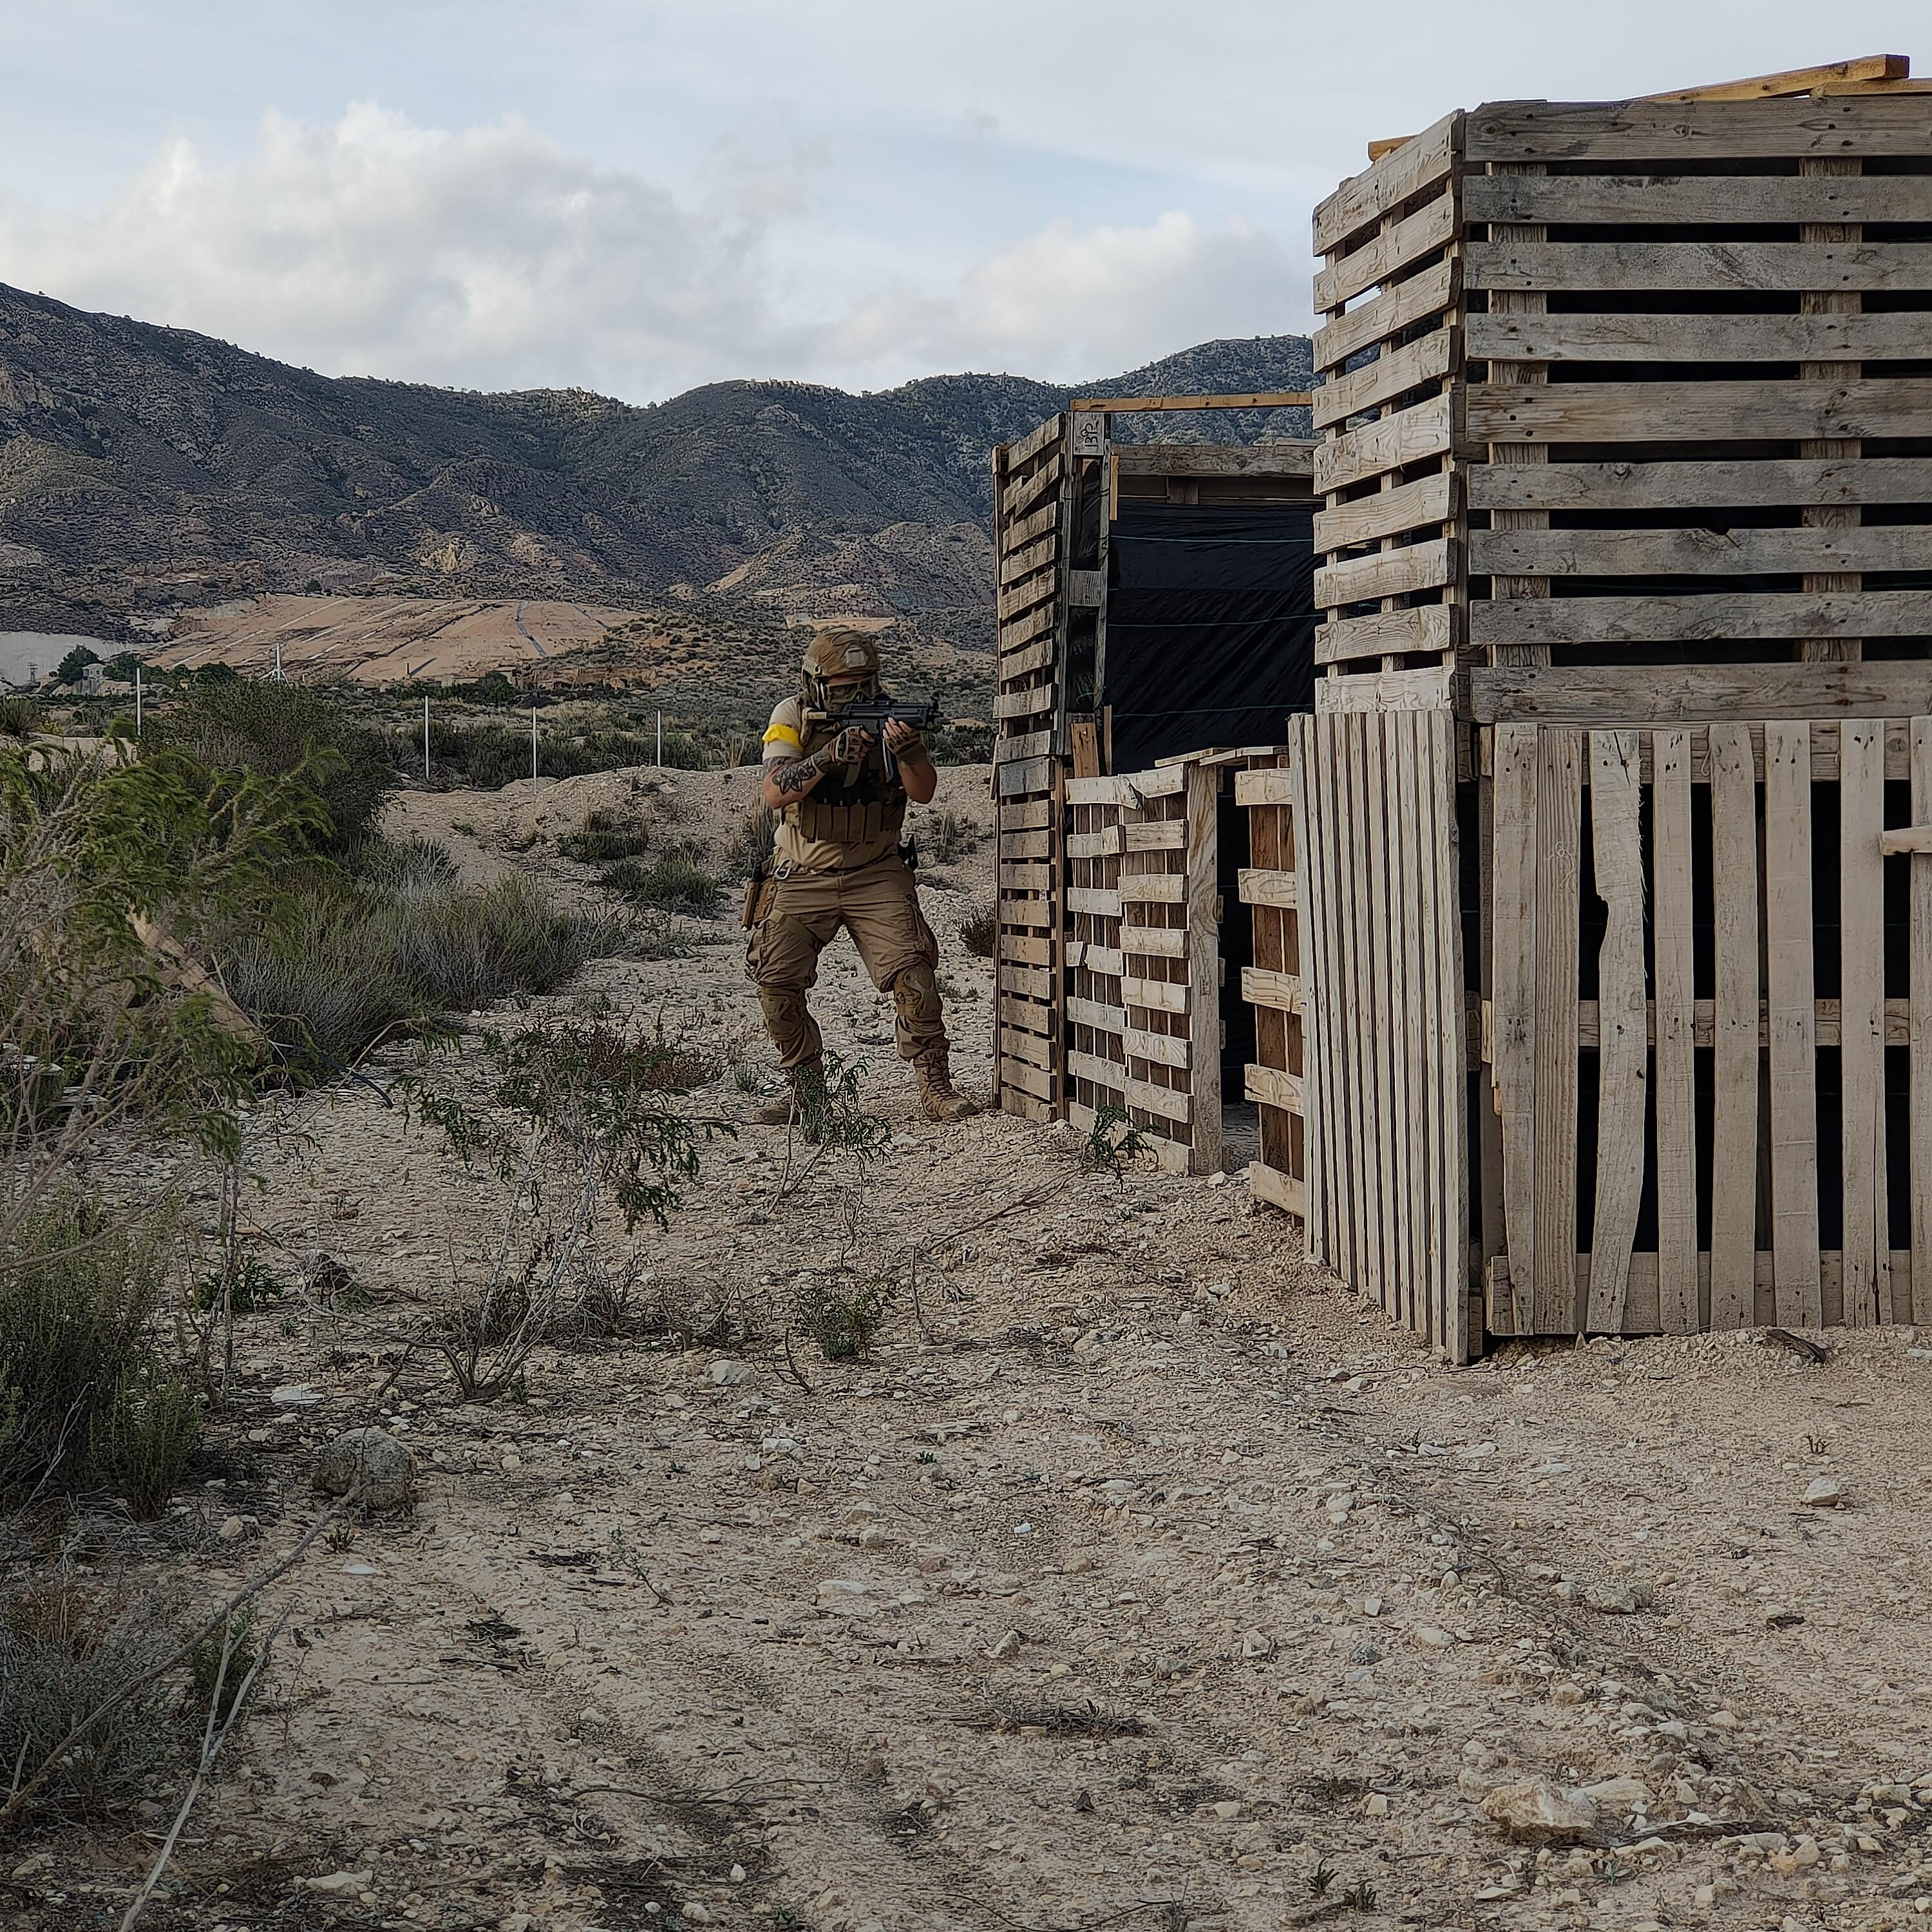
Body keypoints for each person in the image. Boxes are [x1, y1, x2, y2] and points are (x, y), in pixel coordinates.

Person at [745, 627, 979, 1125]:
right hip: (802, 872)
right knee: (776, 984)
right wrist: (829, 757)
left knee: (913, 973)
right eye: (844, 685)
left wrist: (911, 751)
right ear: (817, 684)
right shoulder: (791, 717)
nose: (856, 694)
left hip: (877, 871)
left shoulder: (891, 716)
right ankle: (806, 1090)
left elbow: (924, 793)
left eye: (864, 683)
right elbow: (774, 792)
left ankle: (935, 1083)